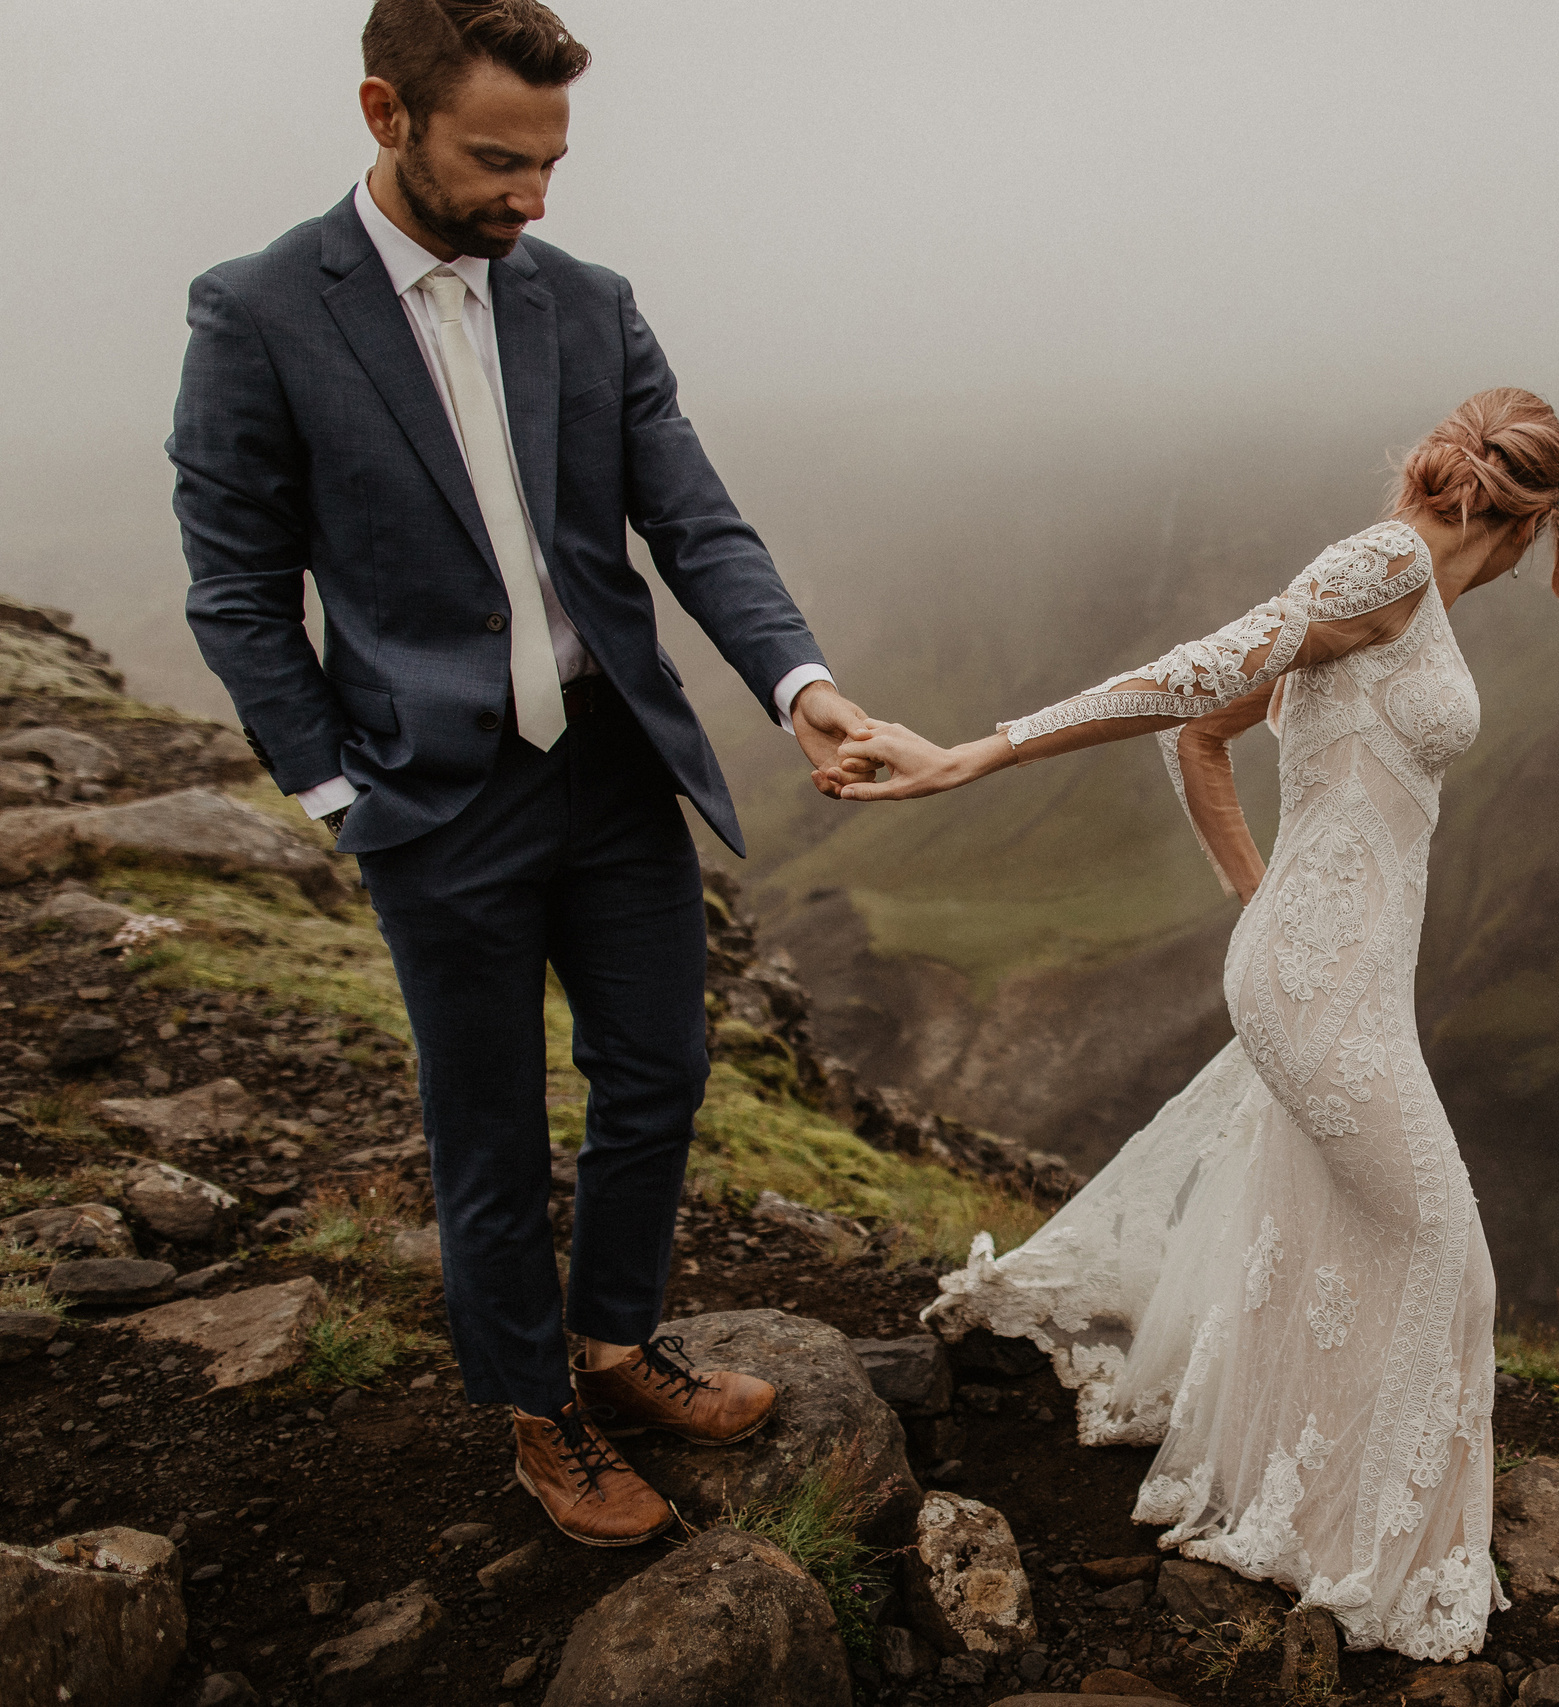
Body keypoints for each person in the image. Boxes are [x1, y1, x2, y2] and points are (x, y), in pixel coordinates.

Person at [169, 0, 872, 1546]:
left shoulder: (589, 301)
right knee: (486, 1122)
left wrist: (800, 685)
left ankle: (616, 1349)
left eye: (553, 160)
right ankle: (536, 1412)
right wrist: (337, 791)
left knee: (664, 1074)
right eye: (499, 159)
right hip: (430, 794)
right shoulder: (261, 310)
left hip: (612, 764)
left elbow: (696, 522)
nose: (533, 197)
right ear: (384, 113)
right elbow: (235, 586)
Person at [828, 389, 1559, 1660]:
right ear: (1533, 517)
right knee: (1445, 1262)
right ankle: (1366, 1555)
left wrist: (1261, 903)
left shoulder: (1408, 595)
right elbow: (1200, 674)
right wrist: (978, 755)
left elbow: (1202, 742)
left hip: (1334, 973)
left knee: (1329, 1236)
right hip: (1318, 989)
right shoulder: (1389, 562)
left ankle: (1299, 1493)